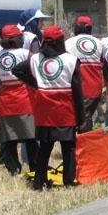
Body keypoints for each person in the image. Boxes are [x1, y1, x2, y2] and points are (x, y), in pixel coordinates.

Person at [12, 26, 84, 190]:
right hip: (65, 111)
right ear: (61, 41)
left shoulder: (35, 59)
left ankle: (39, 182)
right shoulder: (71, 60)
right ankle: (68, 181)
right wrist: (81, 118)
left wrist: (36, 83)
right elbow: (78, 92)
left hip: (44, 111)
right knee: (68, 147)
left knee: (45, 148)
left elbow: (16, 69)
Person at [0, 25, 37, 175]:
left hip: (5, 101)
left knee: (9, 138)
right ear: (17, 39)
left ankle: (13, 169)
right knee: (30, 137)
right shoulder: (25, 53)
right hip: (24, 100)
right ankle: (35, 168)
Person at [65, 16, 105, 133]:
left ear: (77, 27)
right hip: (94, 91)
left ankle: (80, 149)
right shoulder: (99, 43)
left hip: (76, 90)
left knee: (76, 121)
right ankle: (85, 148)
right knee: (86, 120)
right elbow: (102, 63)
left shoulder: (68, 43)